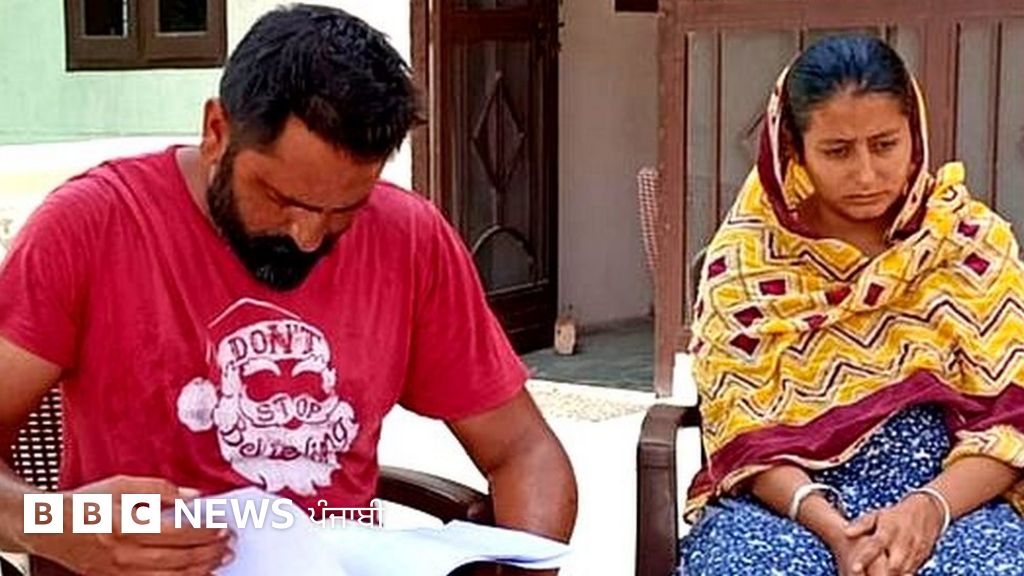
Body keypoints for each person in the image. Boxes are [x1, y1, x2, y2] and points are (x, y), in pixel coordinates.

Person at [0, 5, 577, 574]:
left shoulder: (409, 238)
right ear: (217, 132)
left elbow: (525, 453)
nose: (307, 237)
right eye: (282, 200)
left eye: (344, 210)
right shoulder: (93, 226)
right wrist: (52, 524)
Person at [678, 35, 1024, 576]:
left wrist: (928, 509)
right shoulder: (747, 260)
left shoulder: (968, 243)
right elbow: (742, 427)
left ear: (915, 134)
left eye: (885, 144)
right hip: (791, 506)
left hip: (954, 497)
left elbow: (1012, 416)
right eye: (837, 151)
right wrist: (835, 530)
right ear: (794, 150)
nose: (865, 174)